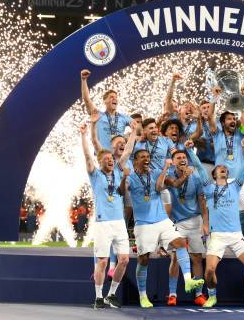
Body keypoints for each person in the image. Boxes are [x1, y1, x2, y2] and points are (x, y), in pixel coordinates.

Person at [118, 149, 204, 308]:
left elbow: (175, 184)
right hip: (143, 223)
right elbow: (121, 191)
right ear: (135, 160)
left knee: (179, 243)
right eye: (142, 157)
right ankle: (143, 296)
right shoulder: (130, 177)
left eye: (148, 157)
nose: (146, 159)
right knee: (144, 258)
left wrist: (182, 174)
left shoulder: (157, 171)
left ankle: (188, 281)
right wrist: (123, 177)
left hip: (163, 220)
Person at [189, 140, 244, 308]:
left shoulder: (235, 186)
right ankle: (212, 296)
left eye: (226, 169)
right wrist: (191, 152)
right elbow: (199, 168)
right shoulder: (208, 187)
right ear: (214, 174)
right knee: (209, 270)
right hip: (217, 237)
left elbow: (243, 167)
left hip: (236, 236)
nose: (223, 168)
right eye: (220, 168)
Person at [80, 123, 129, 309]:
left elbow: (127, 151)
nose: (111, 160)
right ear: (100, 162)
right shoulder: (95, 175)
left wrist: (131, 133)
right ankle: (99, 297)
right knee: (103, 261)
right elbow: (87, 155)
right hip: (102, 223)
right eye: (107, 158)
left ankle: (111, 294)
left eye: (112, 158)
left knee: (124, 260)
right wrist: (84, 136)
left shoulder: (117, 172)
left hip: (119, 223)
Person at [164, 148, 209, 306]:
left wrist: (205, 223)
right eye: (178, 158)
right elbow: (175, 186)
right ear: (173, 162)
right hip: (178, 222)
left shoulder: (195, 177)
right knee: (175, 258)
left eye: (184, 157)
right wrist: (184, 175)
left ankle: (198, 294)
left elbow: (202, 201)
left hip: (195, 220)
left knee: (197, 258)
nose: (182, 159)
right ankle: (172, 294)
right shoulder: (169, 176)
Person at [81, 69, 133, 150]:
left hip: (119, 155)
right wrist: (83, 80)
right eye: (111, 97)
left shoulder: (124, 117)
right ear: (105, 101)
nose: (114, 99)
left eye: (116, 97)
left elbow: (138, 128)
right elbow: (86, 99)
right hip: (103, 156)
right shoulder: (97, 114)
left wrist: (131, 134)